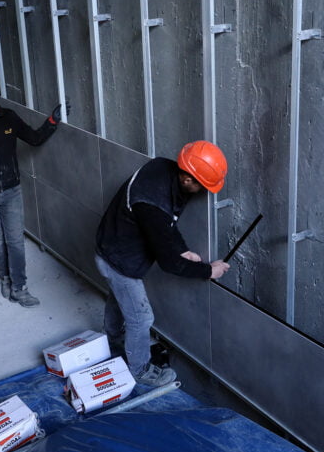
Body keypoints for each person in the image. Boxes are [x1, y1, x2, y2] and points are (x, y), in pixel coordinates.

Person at [95, 140, 231, 387]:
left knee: (119, 299)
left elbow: (169, 224)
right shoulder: (151, 203)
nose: (204, 191)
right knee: (141, 318)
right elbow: (169, 263)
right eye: (203, 186)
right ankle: (140, 370)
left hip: (111, 247)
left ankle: (113, 341)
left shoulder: (163, 169)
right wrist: (208, 270)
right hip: (119, 261)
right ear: (188, 179)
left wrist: (182, 250)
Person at [0, 68, 70, 307]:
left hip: (11, 191)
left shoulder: (9, 118)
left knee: (15, 241)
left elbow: (34, 139)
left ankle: (20, 288)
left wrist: (52, 121)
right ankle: (5, 278)